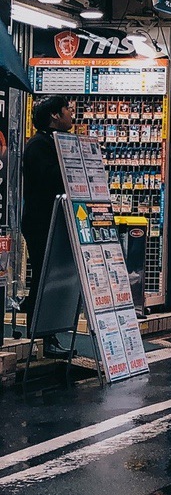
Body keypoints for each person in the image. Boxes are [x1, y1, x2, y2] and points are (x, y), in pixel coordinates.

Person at [21, 94, 74, 353]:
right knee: (43, 278)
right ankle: (41, 336)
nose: (71, 113)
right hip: (42, 223)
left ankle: (49, 335)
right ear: (54, 115)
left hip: (58, 221)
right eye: (66, 108)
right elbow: (51, 179)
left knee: (54, 278)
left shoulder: (55, 142)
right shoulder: (38, 146)